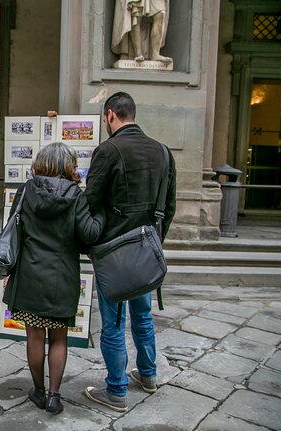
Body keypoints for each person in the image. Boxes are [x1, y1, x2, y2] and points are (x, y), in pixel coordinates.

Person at [83, 91, 177, 412]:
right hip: (147, 250)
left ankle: (117, 390)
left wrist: (89, 243)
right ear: (132, 114)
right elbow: (170, 206)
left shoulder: (107, 150)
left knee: (112, 323)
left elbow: (89, 203)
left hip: (113, 252)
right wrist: (153, 242)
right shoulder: (163, 152)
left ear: (110, 115)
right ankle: (148, 375)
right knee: (143, 316)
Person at [2, 143, 104, 415]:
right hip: (62, 276)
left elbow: (14, 231)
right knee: (59, 337)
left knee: (34, 336)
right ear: (68, 165)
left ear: (41, 163)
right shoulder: (75, 195)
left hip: (29, 275)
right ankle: (55, 396)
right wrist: (102, 212)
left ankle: (38, 390)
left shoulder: (25, 191)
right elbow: (90, 234)